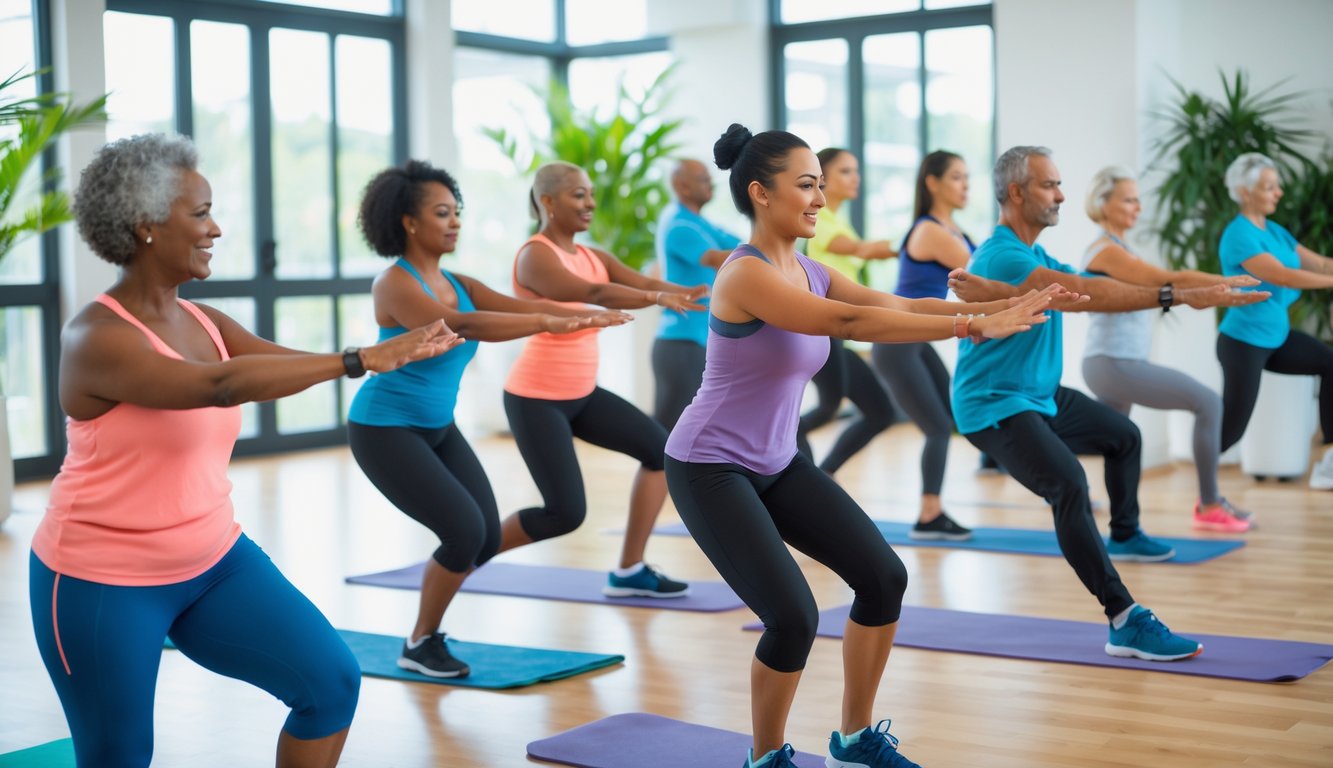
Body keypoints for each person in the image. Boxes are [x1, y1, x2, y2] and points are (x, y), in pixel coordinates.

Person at [30, 134, 460, 768]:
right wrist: (361, 359)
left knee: (330, 684)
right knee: (118, 753)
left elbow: (272, 363)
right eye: (200, 213)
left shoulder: (205, 322)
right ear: (145, 225)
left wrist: (380, 357)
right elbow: (219, 385)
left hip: (212, 560)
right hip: (100, 577)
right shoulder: (96, 337)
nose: (217, 228)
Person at [666, 124, 1063, 768]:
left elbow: (892, 301)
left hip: (775, 460)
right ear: (761, 193)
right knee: (792, 618)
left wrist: (1000, 305)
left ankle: (853, 741)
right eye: (806, 186)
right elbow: (846, 323)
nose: (820, 198)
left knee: (883, 577)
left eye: (822, 186)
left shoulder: (810, 270)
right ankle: (764, 758)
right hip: (710, 465)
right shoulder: (744, 276)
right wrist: (972, 326)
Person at [946, 146, 1269, 662]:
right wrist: (1177, 296)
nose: (1062, 195)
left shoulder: (1036, 254)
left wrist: (1206, 286)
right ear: (1016, 193)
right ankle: (1124, 618)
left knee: (1125, 437)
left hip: (1039, 394)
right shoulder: (1003, 255)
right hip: (994, 404)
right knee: (1068, 483)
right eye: (1050, 185)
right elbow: (1086, 293)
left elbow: (1107, 284)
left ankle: (1125, 532)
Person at [347, 160, 631, 678]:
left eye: (457, 212)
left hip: (437, 427)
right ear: (409, 223)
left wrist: (577, 318)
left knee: (480, 535)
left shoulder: (461, 280)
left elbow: (515, 309)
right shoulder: (394, 285)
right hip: (384, 428)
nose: (454, 222)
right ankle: (420, 642)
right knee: (462, 530)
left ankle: (426, 634)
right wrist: (547, 319)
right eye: (441, 213)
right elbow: (456, 324)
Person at [499, 161, 708, 598]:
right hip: (536, 397)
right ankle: (469, 552)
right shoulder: (536, 254)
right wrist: (657, 297)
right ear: (548, 202)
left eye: (591, 193)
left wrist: (681, 292)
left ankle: (630, 569)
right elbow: (592, 293)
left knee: (659, 453)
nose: (590, 203)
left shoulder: (593, 255)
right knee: (564, 513)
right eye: (579, 195)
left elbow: (642, 280)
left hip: (582, 393)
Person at [1078, 165, 1258, 530]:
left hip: (1116, 361)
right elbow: (1167, 281)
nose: (1137, 208)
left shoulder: (1120, 248)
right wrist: (1221, 282)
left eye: (1137, 200)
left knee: (1110, 440)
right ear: (1102, 203)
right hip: (1113, 362)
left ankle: (1075, 494)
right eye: (1128, 199)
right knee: (1207, 401)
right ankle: (1209, 506)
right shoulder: (1104, 251)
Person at [871, 150, 979, 540]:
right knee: (936, 425)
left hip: (916, 337)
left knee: (948, 416)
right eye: (955, 176)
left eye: (967, 177)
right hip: (897, 338)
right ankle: (929, 514)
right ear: (932, 182)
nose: (965, 184)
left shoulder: (954, 230)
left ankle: (933, 509)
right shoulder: (930, 230)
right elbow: (981, 275)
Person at [1214, 152, 1333, 490]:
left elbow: (1321, 264)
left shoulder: (1275, 231)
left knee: (1330, 362)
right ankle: (1205, 489)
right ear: (1245, 191)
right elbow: (1283, 276)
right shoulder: (1238, 235)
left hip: (1276, 337)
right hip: (1243, 342)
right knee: (1230, 430)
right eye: (1269, 187)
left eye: (1276, 186)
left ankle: (1329, 460)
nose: (1278, 192)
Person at [795, 147, 898, 475]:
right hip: (823, 328)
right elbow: (859, 250)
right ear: (823, 179)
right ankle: (797, 458)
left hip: (841, 331)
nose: (856, 178)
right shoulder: (819, 217)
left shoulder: (838, 219)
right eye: (846, 171)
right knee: (828, 406)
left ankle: (823, 476)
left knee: (880, 411)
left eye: (856, 170)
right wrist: (913, 243)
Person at [652, 158, 742, 429]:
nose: (711, 182)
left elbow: (743, 246)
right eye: (703, 178)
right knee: (667, 436)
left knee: (699, 432)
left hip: (698, 341)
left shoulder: (701, 222)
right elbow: (718, 258)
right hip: (681, 344)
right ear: (682, 186)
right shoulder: (679, 224)